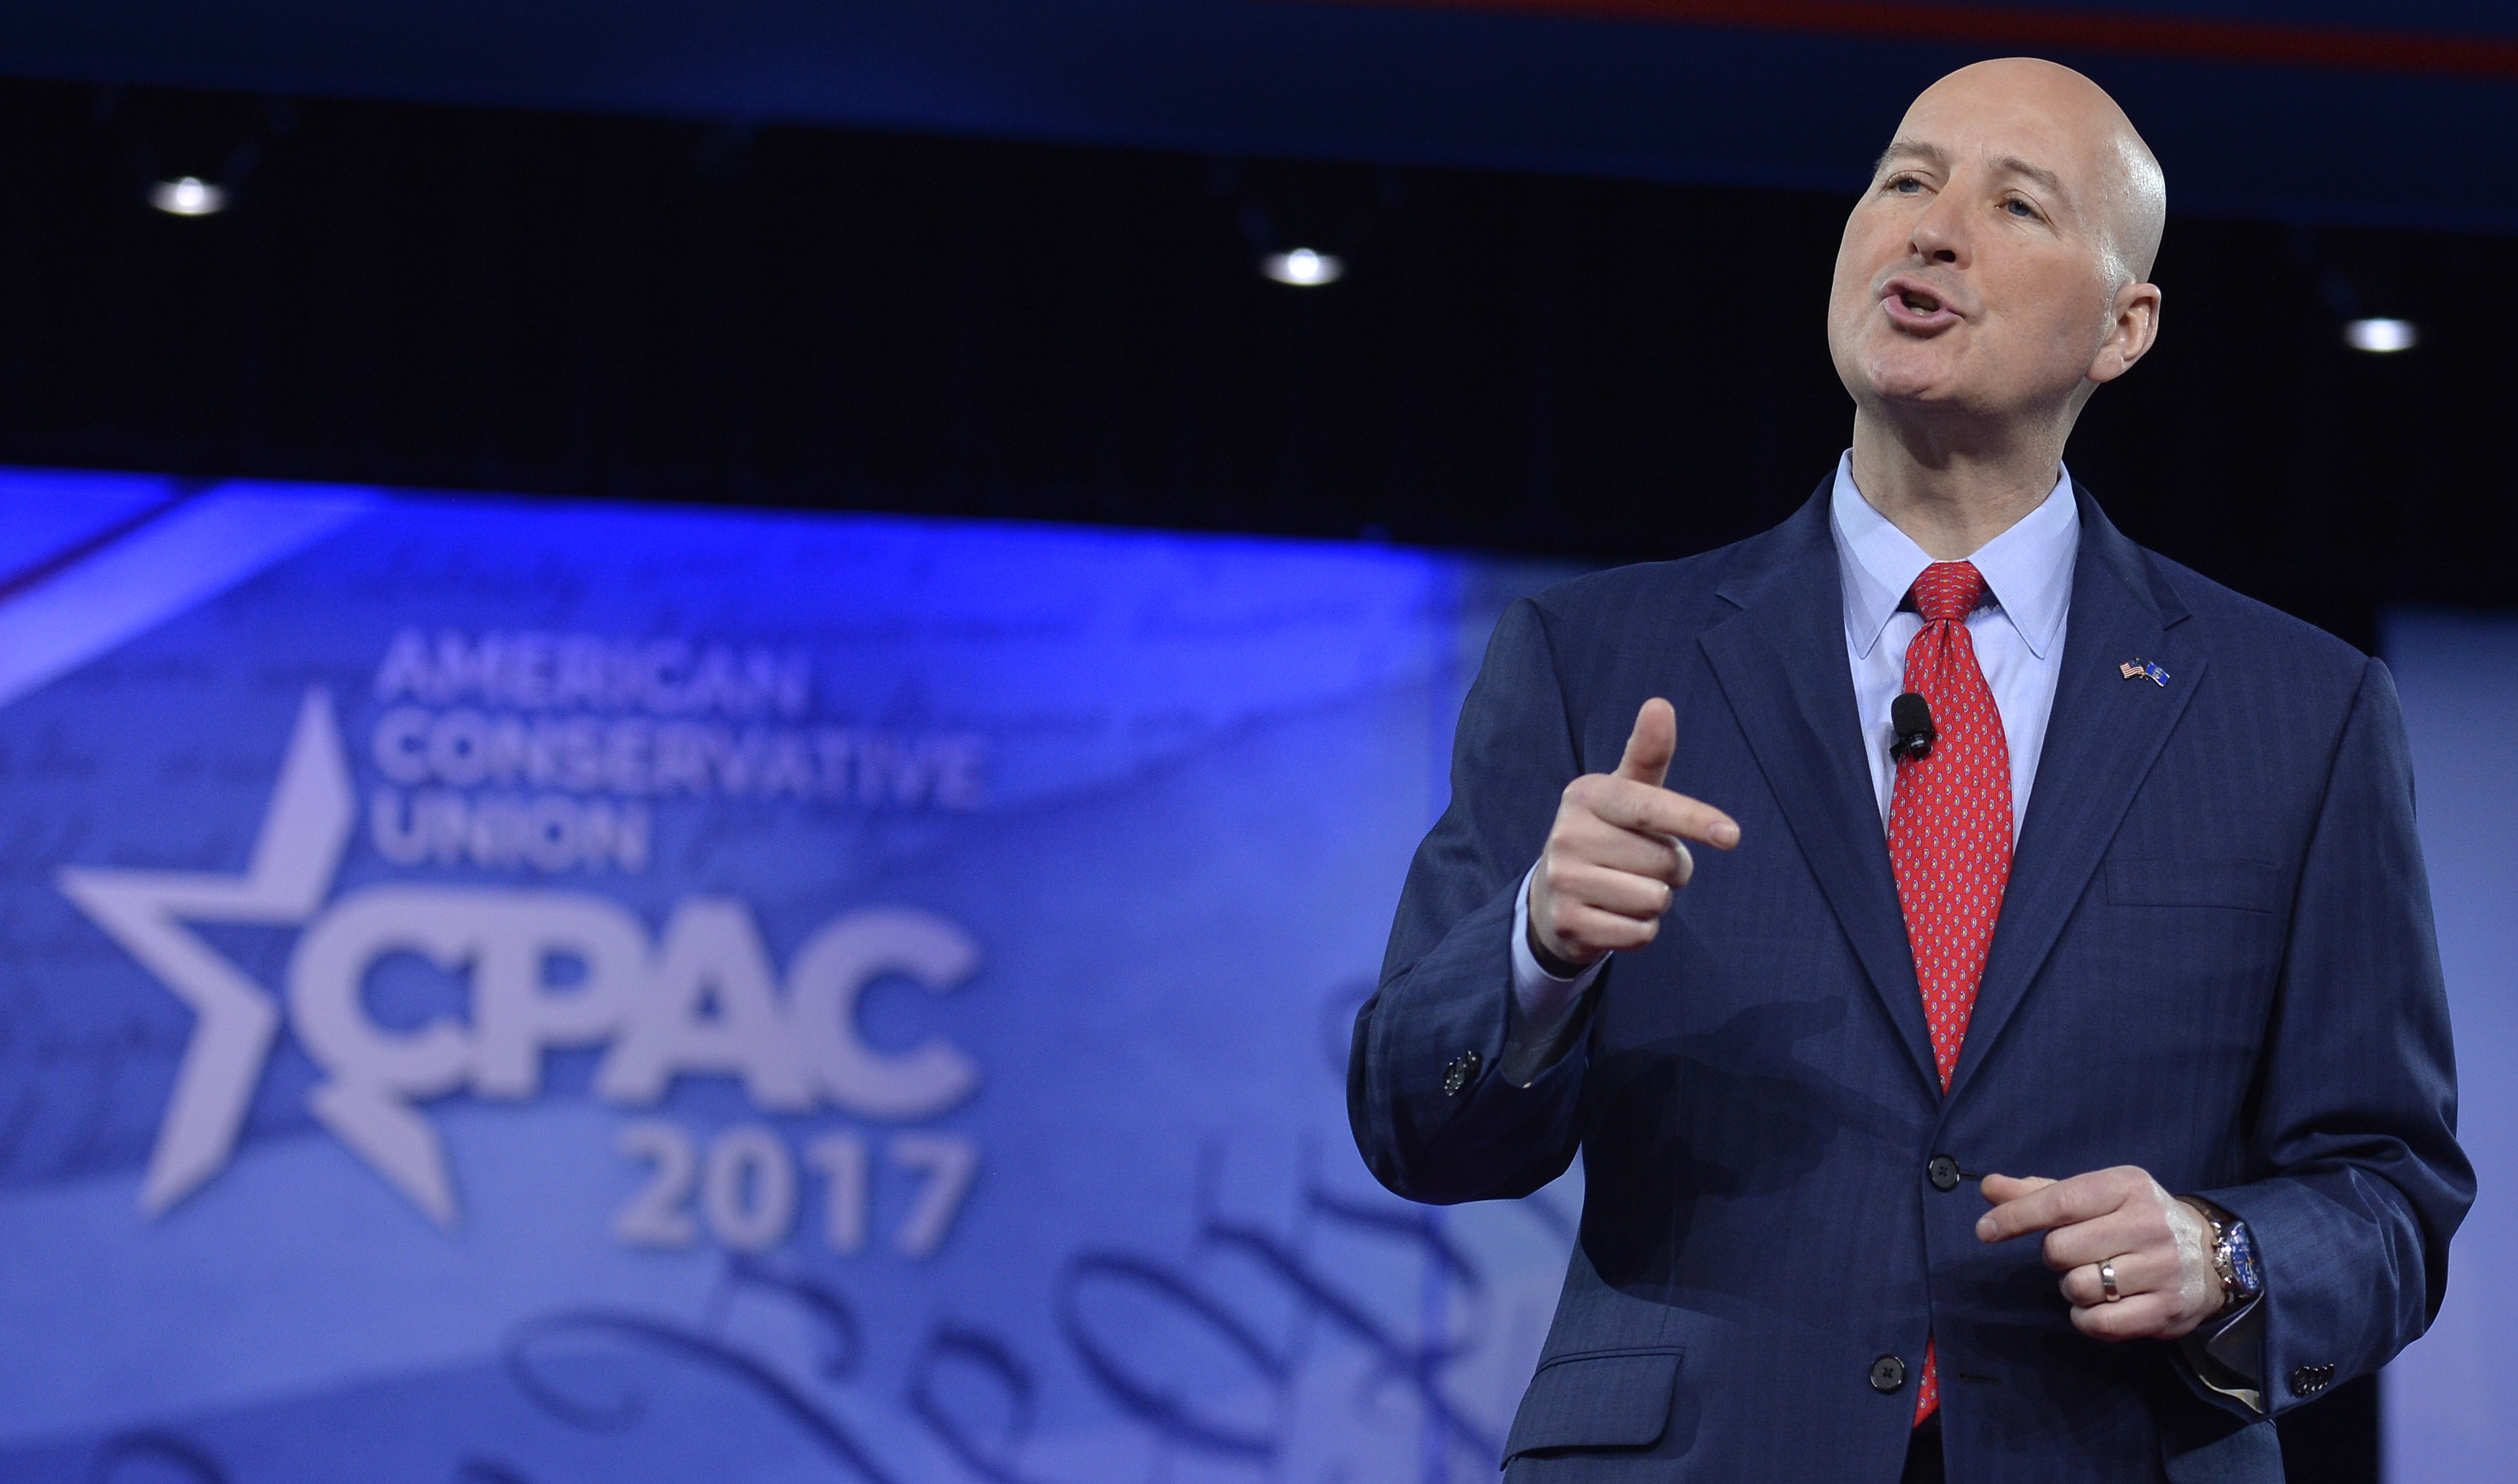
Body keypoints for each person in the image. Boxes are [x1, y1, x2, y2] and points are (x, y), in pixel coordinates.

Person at [1347, 57, 2471, 1483]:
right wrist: (1535, 954)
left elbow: (2387, 1192)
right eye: (1903, 180)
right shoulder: (1594, 656)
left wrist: (2225, 1254)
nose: (1930, 231)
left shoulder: (2296, 712)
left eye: (2014, 204)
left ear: (2124, 327)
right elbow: (1412, 1125)